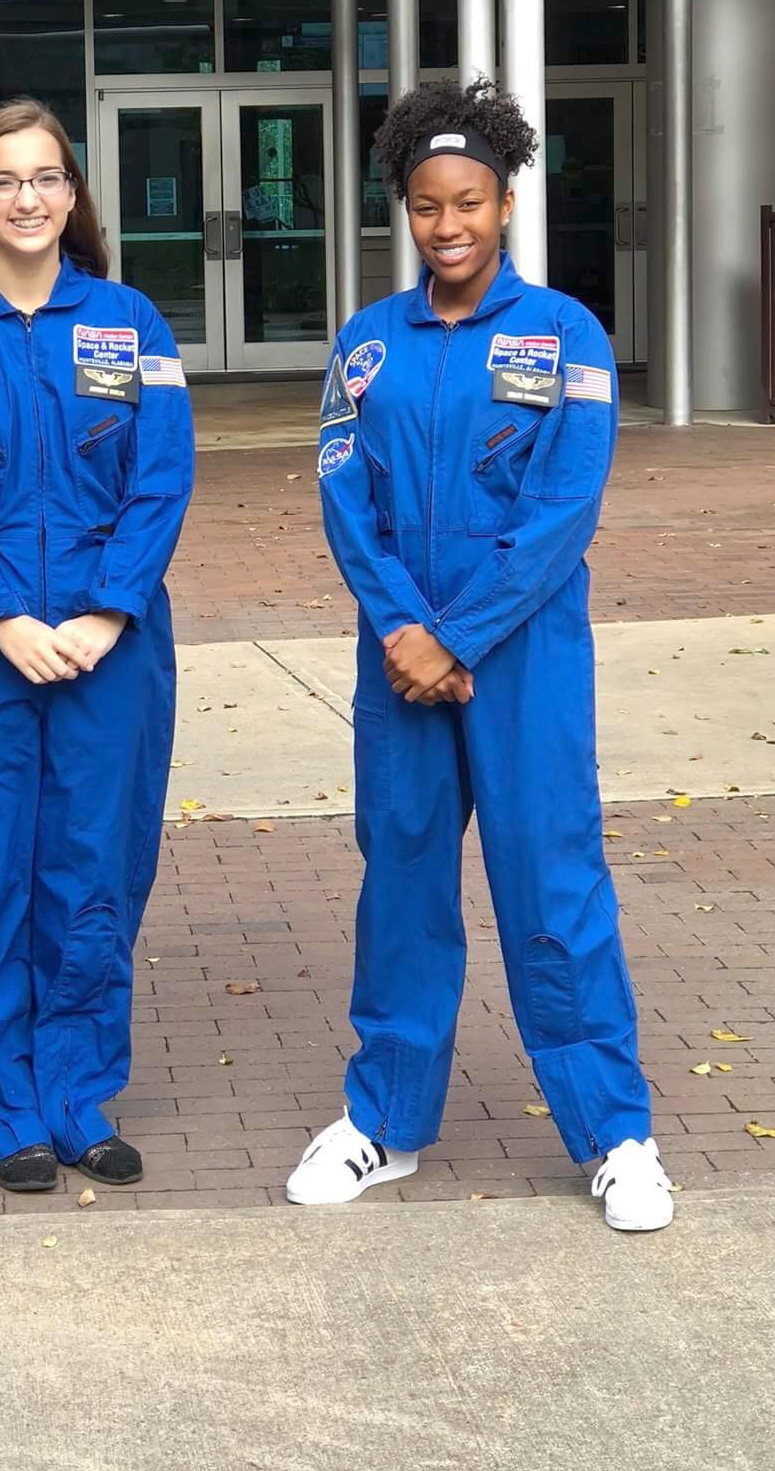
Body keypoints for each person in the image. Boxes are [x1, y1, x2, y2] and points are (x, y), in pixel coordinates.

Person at [286, 77, 672, 1233]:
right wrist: (406, 629)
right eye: (424, 205)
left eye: (468, 202)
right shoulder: (365, 344)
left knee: (553, 884)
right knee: (402, 882)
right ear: (404, 210)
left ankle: (615, 1134)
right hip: (398, 657)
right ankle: (385, 1122)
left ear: (505, 202)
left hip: (524, 658)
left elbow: (563, 507)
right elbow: (347, 497)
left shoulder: (567, 335)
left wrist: (458, 634)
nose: (446, 226)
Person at [0, 99, 195, 1193]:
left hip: (114, 647)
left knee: (94, 872)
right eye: (4, 180)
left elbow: (162, 475)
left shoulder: (131, 323)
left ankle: (76, 1094)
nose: (27, 197)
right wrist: (5, 614)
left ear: (74, 195)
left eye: (46, 177)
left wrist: (110, 608)